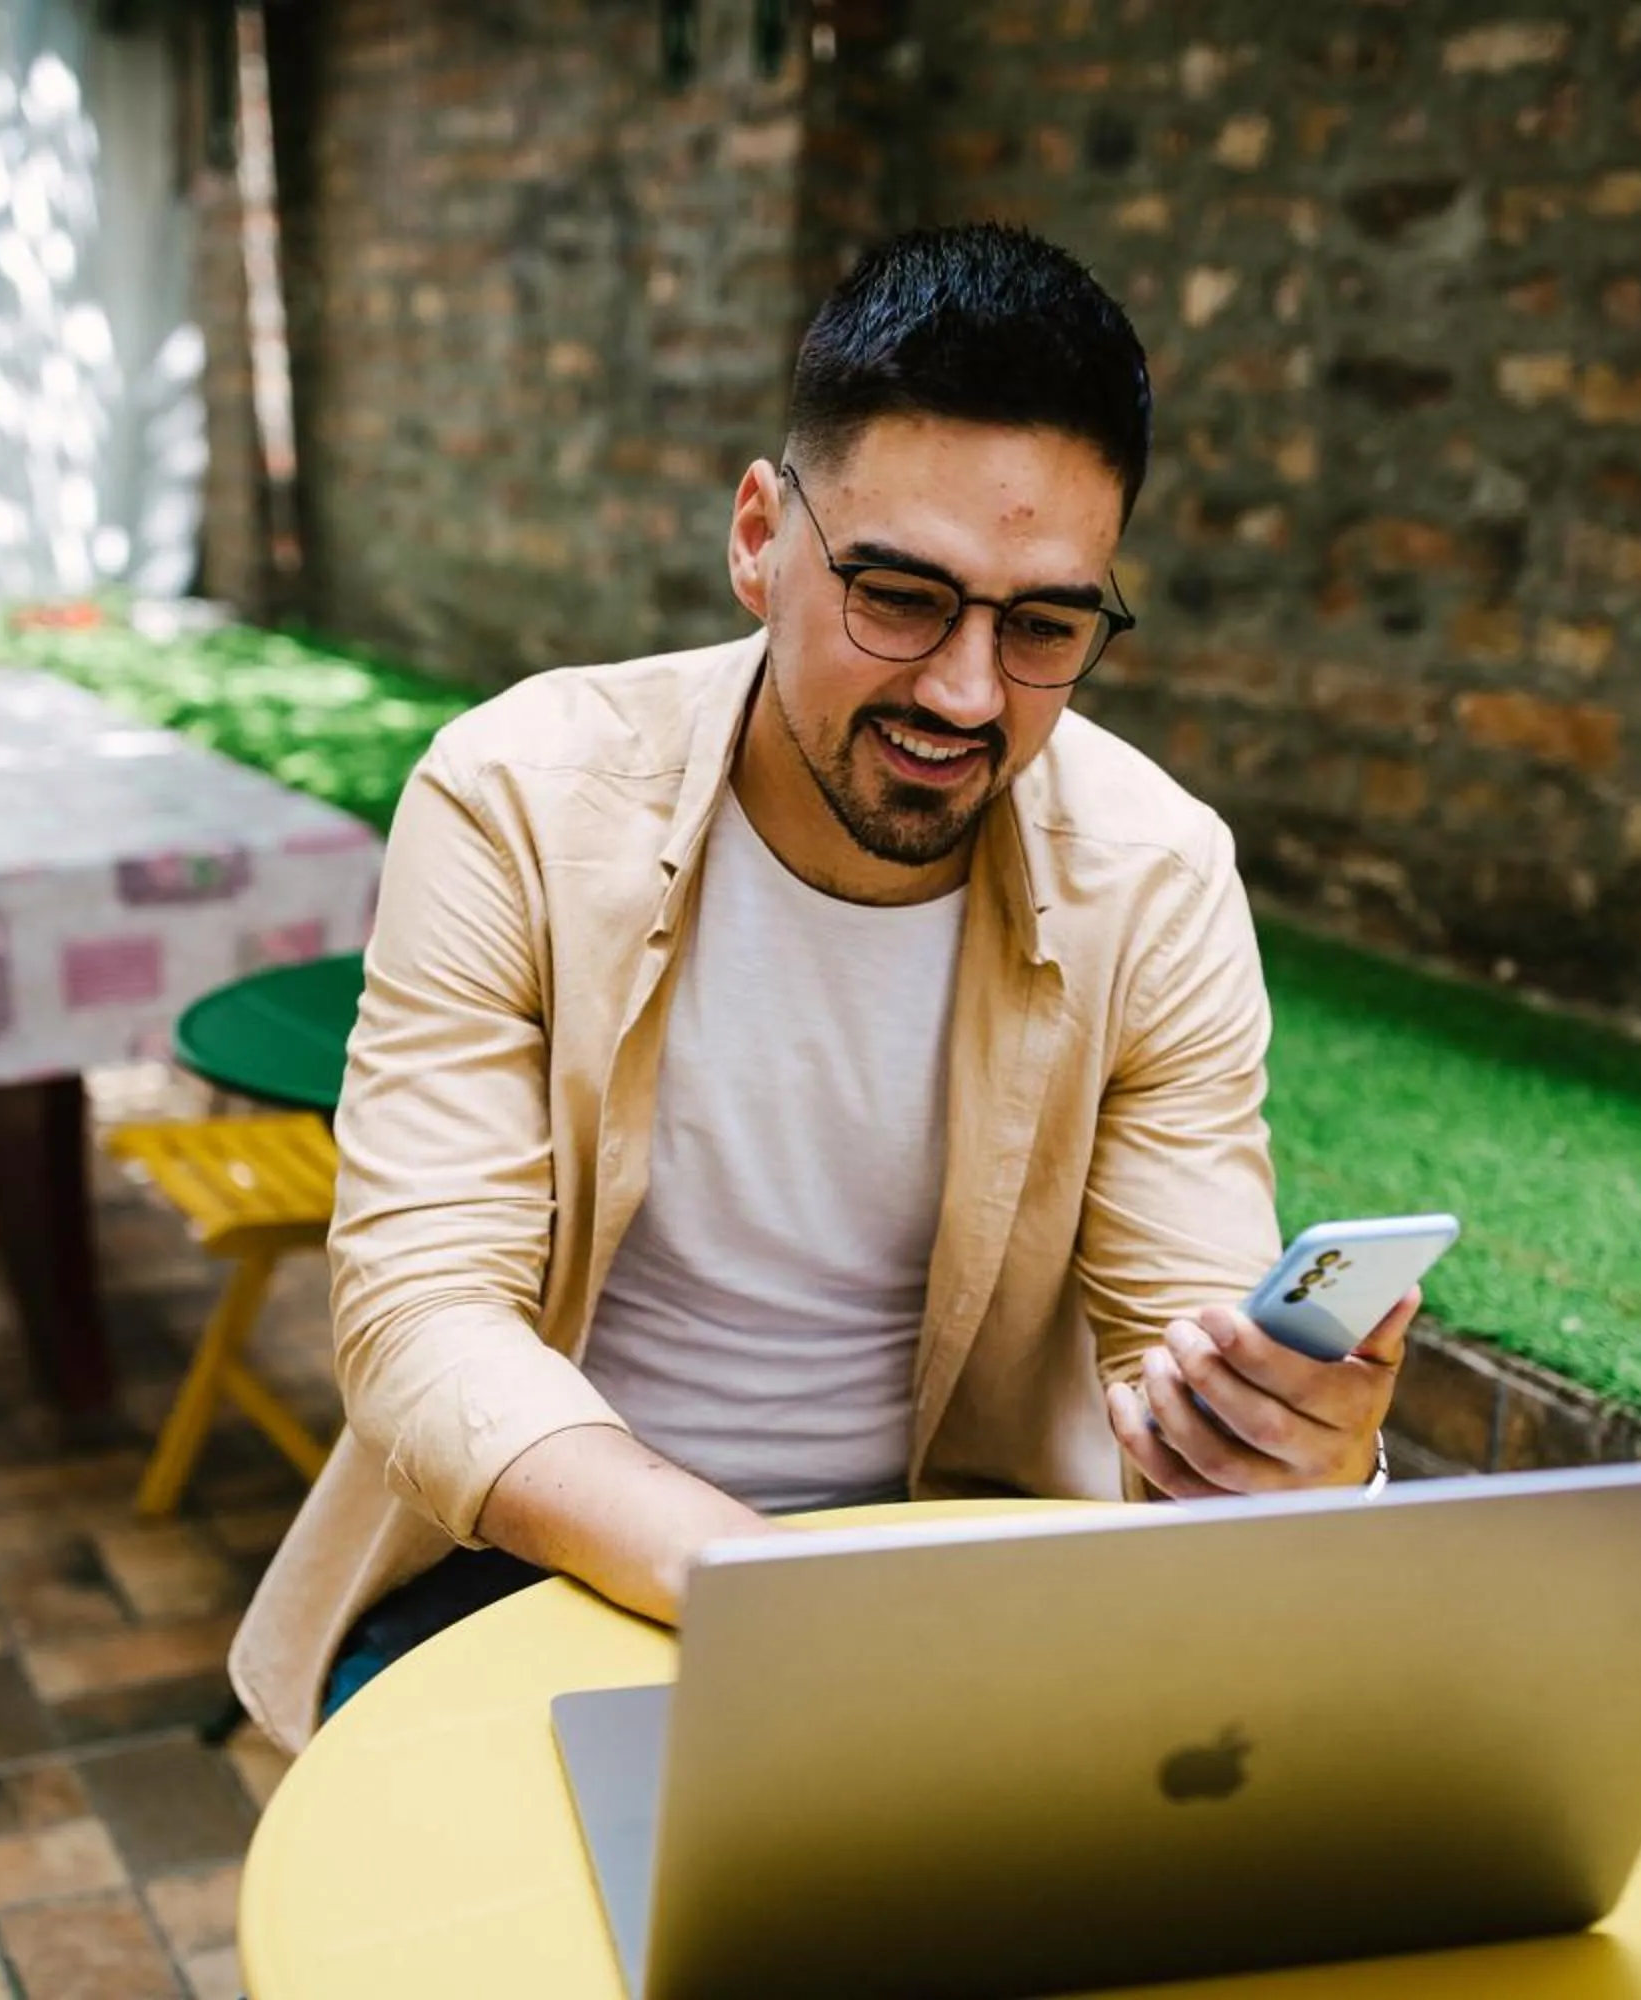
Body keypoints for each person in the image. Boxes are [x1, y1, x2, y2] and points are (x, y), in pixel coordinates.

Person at [226, 221, 1415, 1753]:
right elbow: (423, 1320)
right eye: (901, 596)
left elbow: (1174, 1340)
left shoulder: (1155, 876)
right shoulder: (517, 796)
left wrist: (1297, 1443)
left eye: (1045, 625)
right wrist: (778, 1598)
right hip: (547, 1560)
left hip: (966, 1573)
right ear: (757, 540)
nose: (967, 693)